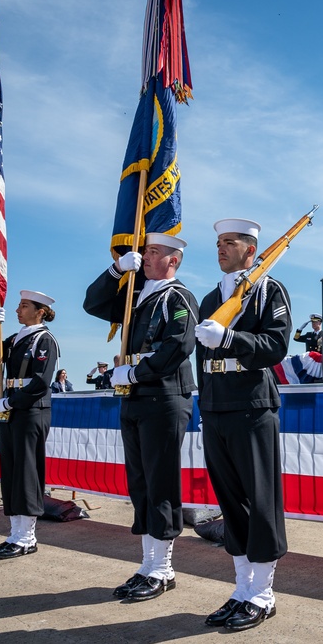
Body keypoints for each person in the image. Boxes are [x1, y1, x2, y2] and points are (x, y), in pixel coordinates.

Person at [83, 233, 199, 601]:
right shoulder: (138, 295)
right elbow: (93, 303)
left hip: (162, 396)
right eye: (145, 251)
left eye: (153, 252)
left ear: (173, 260)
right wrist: (116, 269)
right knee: (141, 484)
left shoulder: (178, 297)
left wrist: (134, 374)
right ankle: (148, 565)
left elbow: (178, 345)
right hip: (135, 396)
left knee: (160, 482)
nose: (145, 257)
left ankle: (163, 569)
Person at [194, 218, 291, 632]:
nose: (220, 248)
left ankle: (263, 594)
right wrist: (205, 403)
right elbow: (202, 357)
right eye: (218, 242)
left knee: (260, 500)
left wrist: (230, 340)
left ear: (251, 250)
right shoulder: (211, 297)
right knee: (231, 503)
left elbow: (276, 345)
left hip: (252, 405)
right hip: (216, 408)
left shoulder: (269, 289)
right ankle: (241, 589)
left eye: (229, 242)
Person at [0, 290, 60, 559]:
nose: (17, 310)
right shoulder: (16, 339)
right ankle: (15, 534)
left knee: (26, 472)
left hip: (30, 410)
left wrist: (12, 403)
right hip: (12, 408)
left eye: (24, 306)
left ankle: (27, 537)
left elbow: (40, 383)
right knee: (11, 471)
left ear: (40, 311)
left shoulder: (44, 340)